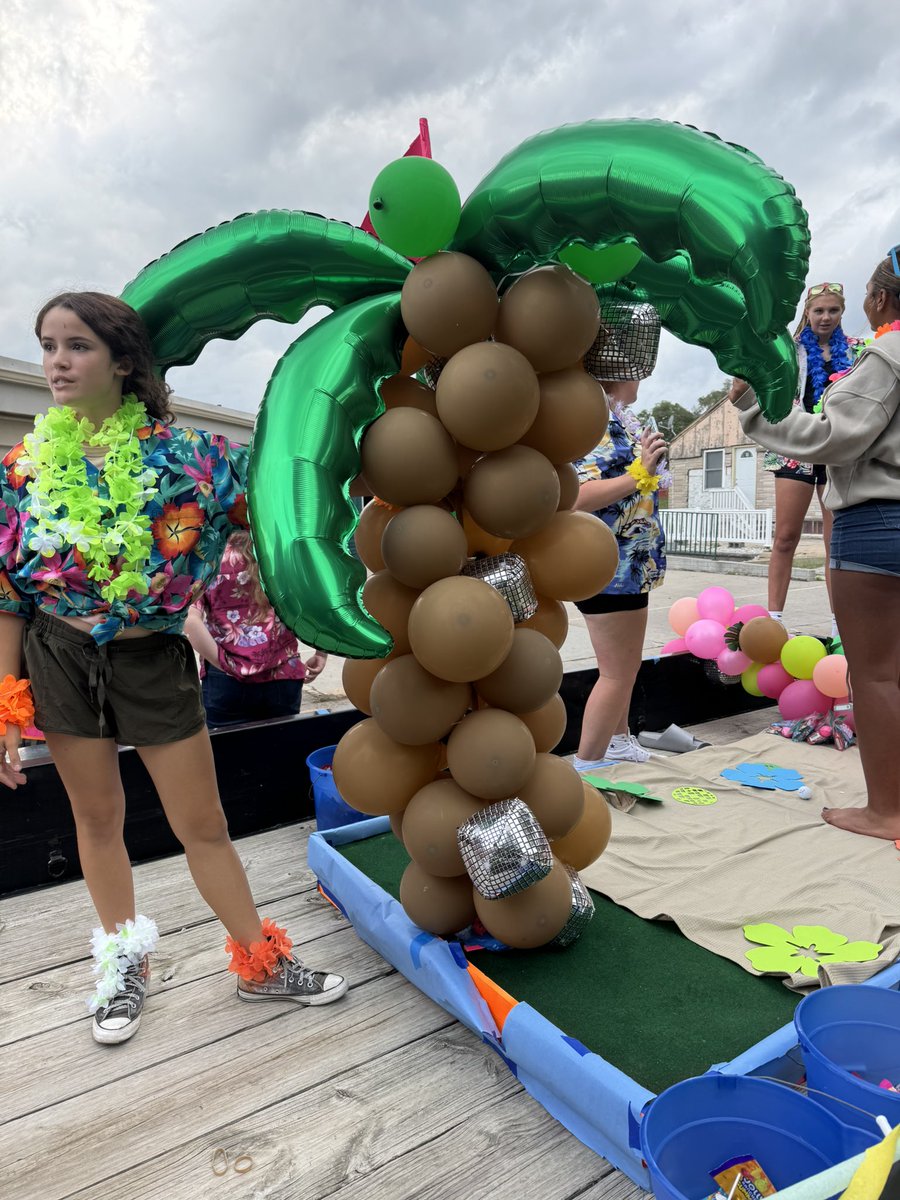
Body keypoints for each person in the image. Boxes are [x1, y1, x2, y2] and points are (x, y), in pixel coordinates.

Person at [0, 292, 347, 1045]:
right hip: (57, 656)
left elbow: (290, 494)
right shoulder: (20, 468)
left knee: (203, 824)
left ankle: (260, 963)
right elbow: (7, 591)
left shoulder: (194, 458)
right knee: (96, 818)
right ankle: (124, 961)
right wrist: (6, 703)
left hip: (155, 654)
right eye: (48, 345)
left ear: (123, 361)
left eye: (77, 346)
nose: (56, 361)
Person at [730, 251, 900, 839]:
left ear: (876, 300)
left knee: (877, 676)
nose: (827, 317)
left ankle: (887, 810)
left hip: (880, 521)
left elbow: (836, 437)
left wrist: (753, 407)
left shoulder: (882, 355)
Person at [571, 377, 668, 772]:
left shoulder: (618, 420)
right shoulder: (594, 424)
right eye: (636, 368)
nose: (643, 375)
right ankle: (588, 764)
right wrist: (640, 472)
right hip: (611, 567)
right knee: (616, 673)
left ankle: (618, 742)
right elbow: (575, 496)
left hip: (630, 564)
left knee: (624, 668)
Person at [761, 283, 858, 635]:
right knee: (786, 537)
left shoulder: (857, 351)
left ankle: (838, 624)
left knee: (836, 544)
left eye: (833, 310)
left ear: (842, 313)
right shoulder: (790, 350)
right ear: (807, 313)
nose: (826, 317)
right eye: (819, 311)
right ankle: (774, 621)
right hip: (795, 451)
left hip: (837, 455)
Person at [184, 529, 328, 727]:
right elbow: (320, 599)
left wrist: (226, 666)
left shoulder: (208, 554)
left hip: (226, 682)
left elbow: (191, 621)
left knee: (229, 754)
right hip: (283, 676)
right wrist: (322, 652)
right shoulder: (282, 547)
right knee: (283, 751)